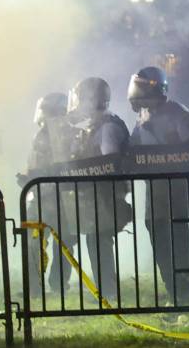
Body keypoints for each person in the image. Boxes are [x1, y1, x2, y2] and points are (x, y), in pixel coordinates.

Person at [128, 66, 189, 304]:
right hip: (155, 191)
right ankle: (172, 289)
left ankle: (185, 294)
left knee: (180, 242)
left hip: (177, 189)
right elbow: (134, 147)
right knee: (158, 241)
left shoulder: (179, 114)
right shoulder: (143, 116)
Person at [65, 77, 132, 303]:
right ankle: (105, 288)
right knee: (95, 240)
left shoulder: (108, 128)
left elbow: (108, 162)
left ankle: (108, 291)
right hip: (98, 194)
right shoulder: (97, 125)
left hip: (105, 195)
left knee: (99, 241)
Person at [21, 93, 76, 297]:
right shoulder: (40, 135)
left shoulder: (69, 135)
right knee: (33, 242)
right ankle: (34, 287)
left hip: (62, 198)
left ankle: (59, 284)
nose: (42, 116)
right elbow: (35, 163)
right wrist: (28, 177)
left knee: (64, 244)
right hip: (40, 197)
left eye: (46, 111)